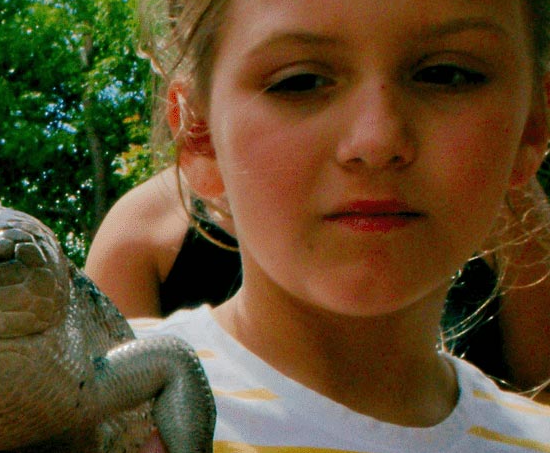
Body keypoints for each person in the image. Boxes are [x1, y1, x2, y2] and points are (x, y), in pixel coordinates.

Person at [128, 0, 550, 453]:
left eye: (448, 74)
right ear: (199, 135)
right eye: (299, 82)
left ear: (533, 123)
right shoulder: (87, 420)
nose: (376, 139)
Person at [87, 168, 550, 398]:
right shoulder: (143, 231)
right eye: (298, 81)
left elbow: (542, 398)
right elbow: (110, 431)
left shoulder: (505, 202)